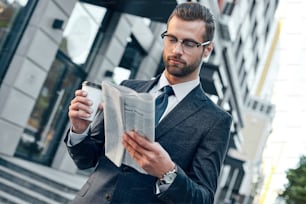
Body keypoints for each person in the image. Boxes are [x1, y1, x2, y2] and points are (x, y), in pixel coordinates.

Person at [65, 2, 232, 204]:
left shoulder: (215, 121)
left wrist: (167, 172)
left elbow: (203, 199)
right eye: (172, 39)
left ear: (207, 50)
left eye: (189, 43)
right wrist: (79, 129)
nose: (177, 50)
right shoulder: (128, 88)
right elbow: (86, 159)